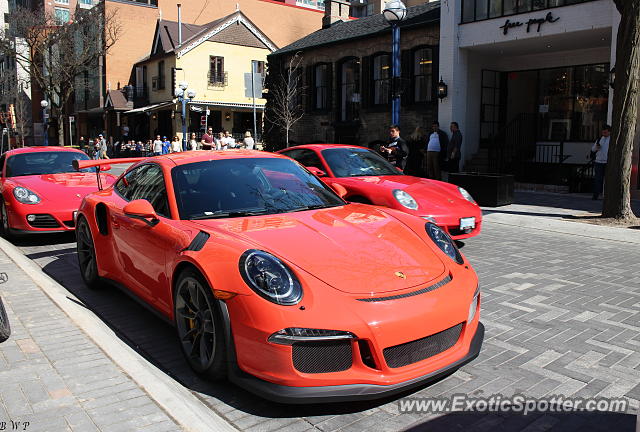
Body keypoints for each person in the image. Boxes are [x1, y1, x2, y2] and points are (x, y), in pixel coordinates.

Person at [592, 124, 610, 200]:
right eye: (603, 132)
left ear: (609, 132)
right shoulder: (599, 139)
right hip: (598, 162)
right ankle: (595, 195)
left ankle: (607, 195)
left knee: (608, 179)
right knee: (597, 179)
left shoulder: (612, 139)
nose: (604, 134)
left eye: (605, 132)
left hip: (607, 162)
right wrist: (596, 147)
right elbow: (593, 150)